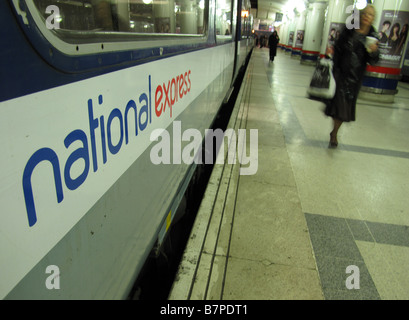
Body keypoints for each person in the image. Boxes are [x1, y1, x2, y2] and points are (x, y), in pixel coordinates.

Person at [324, 4, 380, 148]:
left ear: (373, 19)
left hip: (355, 78)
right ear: (361, 15)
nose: (367, 16)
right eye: (365, 13)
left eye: (371, 15)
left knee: (344, 110)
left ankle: (334, 132)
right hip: (340, 74)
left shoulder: (373, 36)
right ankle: (334, 134)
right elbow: (338, 47)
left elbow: (374, 61)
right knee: (338, 106)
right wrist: (332, 57)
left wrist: (373, 51)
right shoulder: (349, 29)